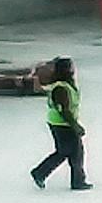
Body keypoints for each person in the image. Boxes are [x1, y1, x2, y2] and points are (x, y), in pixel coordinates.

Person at [30, 56, 92, 191]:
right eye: (71, 67)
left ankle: (78, 180)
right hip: (61, 125)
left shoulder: (66, 85)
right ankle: (40, 172)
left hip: (63, 123)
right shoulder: (61, 88)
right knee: (66, 151)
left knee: (75, 152)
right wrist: (75, 126)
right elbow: (64, 110)